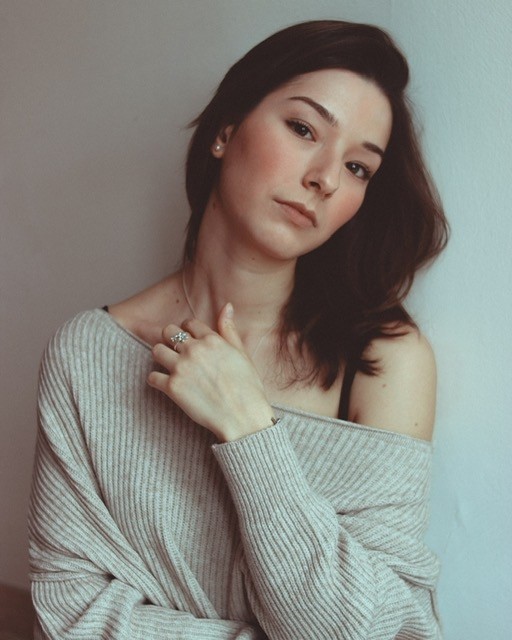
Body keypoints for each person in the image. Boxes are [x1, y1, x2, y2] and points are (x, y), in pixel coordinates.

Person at [29, 19, 449, 640]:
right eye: (303, 129)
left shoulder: (384, 361)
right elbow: (67, 614)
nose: (326, 178)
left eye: (359, 167)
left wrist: (250, 429)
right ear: (225, 131)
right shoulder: (86, 354)